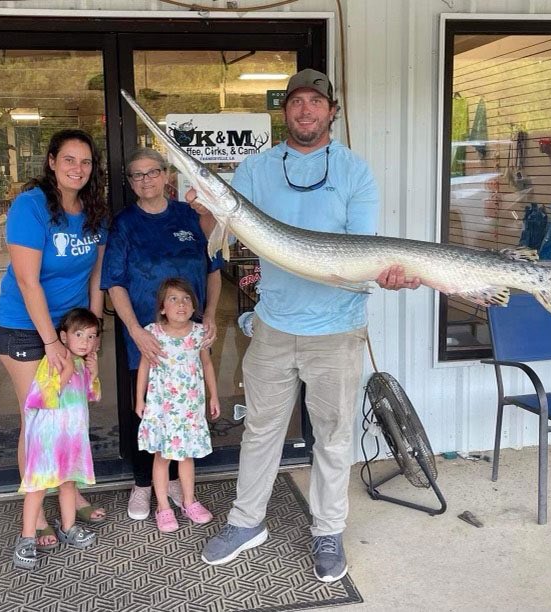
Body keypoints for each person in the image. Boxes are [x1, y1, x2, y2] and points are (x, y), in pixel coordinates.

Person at [196, 68, 420, 582]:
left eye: (314, 103)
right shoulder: (253, 169)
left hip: (338, 330)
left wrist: (387, 276)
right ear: (285, 111)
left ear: (331, 112)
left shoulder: (354, 171)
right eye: (296, 101)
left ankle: (327, 530)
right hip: (273, 326)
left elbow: (362, 251)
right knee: (261, 431)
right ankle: (247, 521)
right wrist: (209, 211)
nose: (305, 110)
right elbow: (221, 231)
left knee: (334, 437)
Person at [0, 129, 110, 550]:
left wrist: (90, 339)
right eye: (69, 160)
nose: (77, 169)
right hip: (27, 329)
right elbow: (28, 282)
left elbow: (97, 277)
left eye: (85, 162)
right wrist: (51, 343)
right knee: (39, 421)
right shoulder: (30, 207)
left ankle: (70, 494)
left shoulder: (94, 211)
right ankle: (37, 511)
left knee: (69, 419)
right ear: (51, 162)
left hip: (71, 331)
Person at [100, 147, 222, 521]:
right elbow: (114, 282)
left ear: (167, 174)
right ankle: (142, 484)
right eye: (136, 175)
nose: (145, 180)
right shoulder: (124, 224)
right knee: (148, 413)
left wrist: (212, 317)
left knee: (183, 410)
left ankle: (171, 483)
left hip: (188, 336)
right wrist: (135, 331)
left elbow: (213, 268)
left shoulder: (191, 217)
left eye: (151, 172)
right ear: (131, 182)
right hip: (147, 339)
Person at [13, 308, 102, 570]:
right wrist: (65, 373)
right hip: (47, 439)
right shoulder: (52, 362)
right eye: (79, 335)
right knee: (37, 488)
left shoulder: (81, 364)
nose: (86, 342)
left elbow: (91, 396)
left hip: (71, 438)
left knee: (68, 484)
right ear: (63, 337)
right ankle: (27, 537)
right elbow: (39, 399)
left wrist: (92, 374)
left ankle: (69, 527)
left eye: (91, 336)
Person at [134, 278, 220, 533]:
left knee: (186, 456)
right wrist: (139, 398)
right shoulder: (153, 333)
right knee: (161, 456)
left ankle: (189, 501)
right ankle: (163, 506)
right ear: (162, 307)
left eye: (186, 299)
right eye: (173, 299)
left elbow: (206, 364)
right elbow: (144, 366)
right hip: (162, 408)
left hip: (189, 408)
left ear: (194, 307)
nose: (181, 304)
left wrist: (214, 395)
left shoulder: (198, 333)